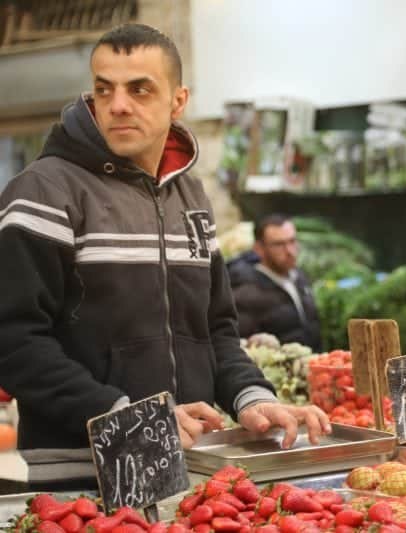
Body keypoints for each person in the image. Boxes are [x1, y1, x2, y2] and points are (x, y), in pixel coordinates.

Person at [0, 24, 329, 486]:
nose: (117, 104)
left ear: (178, 101)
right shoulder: (44, 191)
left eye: (139, 89)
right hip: (84, 478)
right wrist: (121, 413)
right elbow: (14, 340)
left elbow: (215, 331)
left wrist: (251, 397)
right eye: (103, 89)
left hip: (189, 465)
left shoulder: (191, 196)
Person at [229, 215, 322, 351]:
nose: (290, 251)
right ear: (259, 249)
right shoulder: (245, 292)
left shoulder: (299, 277)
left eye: (292, 241)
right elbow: (241, 348)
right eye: (279, 244)